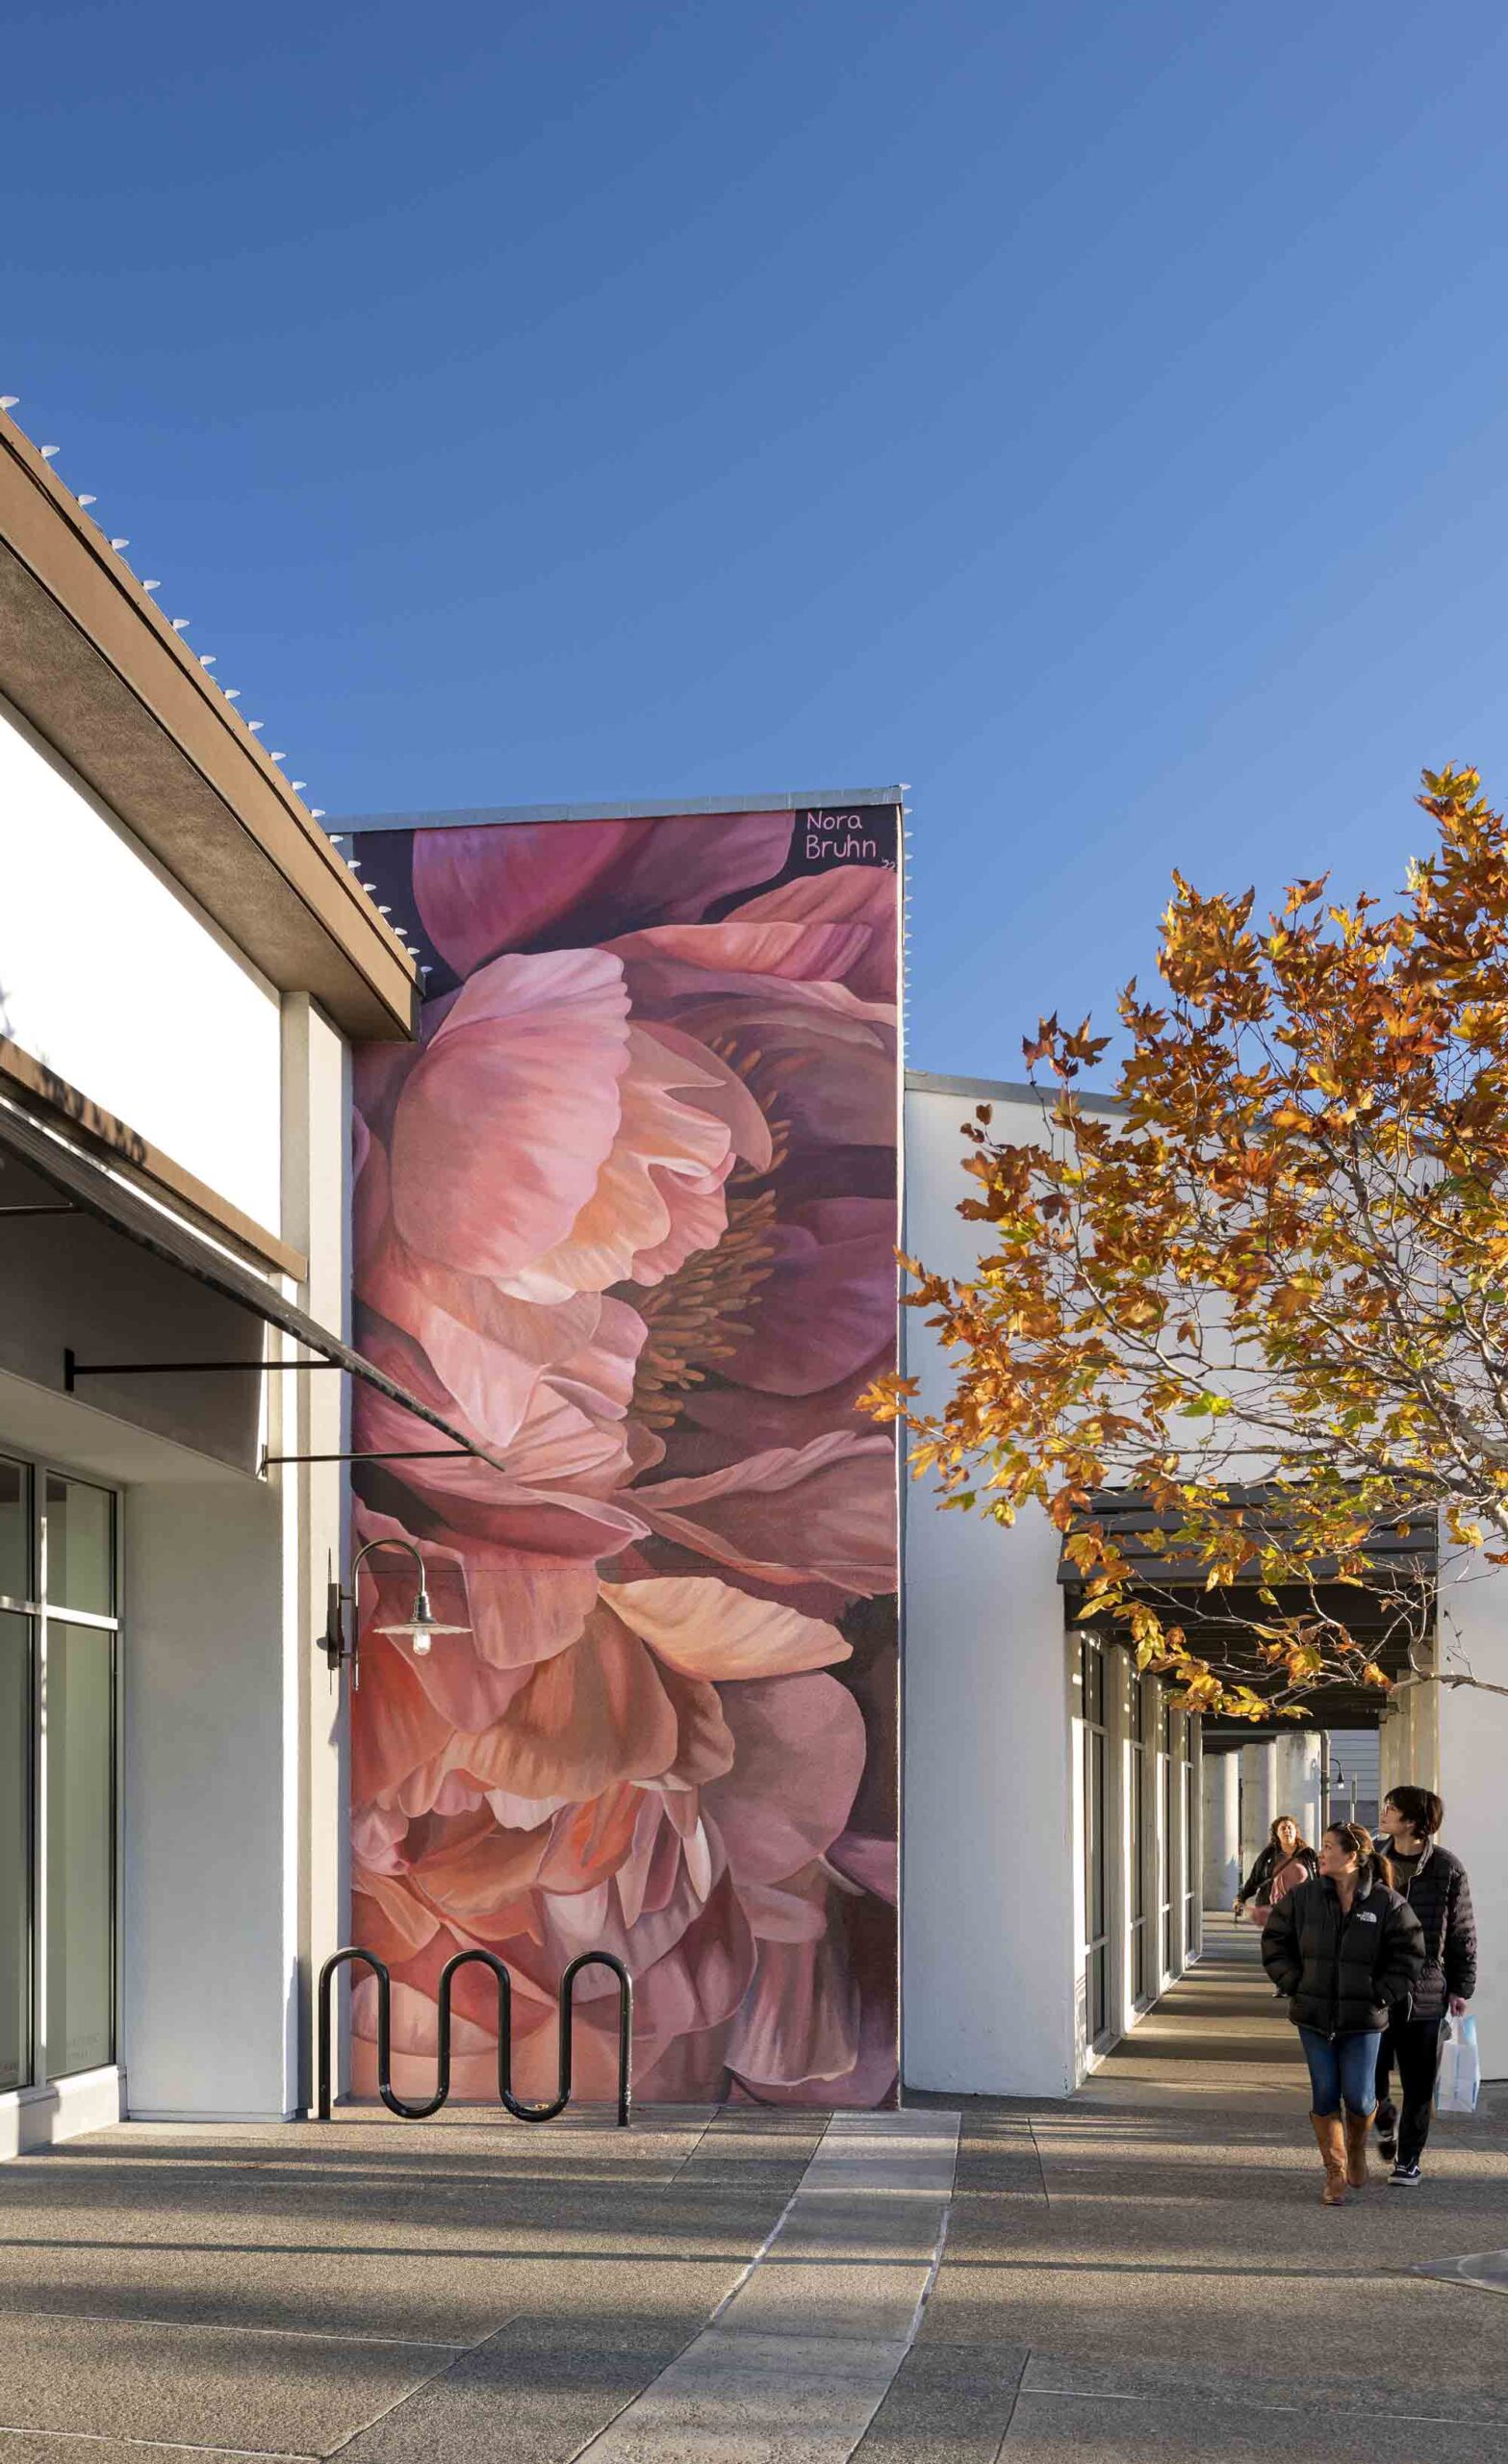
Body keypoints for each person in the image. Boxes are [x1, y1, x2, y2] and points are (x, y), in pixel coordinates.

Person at [1262, 1820, 1424, 2205]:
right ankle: (1334, 2173)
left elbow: (1412, 1952)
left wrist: (1381, 1994)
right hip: (1312, 2016)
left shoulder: (1386, 1903)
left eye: (1329, 1847)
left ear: (1351, 1856)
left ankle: (1356, 2148)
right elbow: (1274, 1939)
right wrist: (1292, 1981)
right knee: (1324, 2094)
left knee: (1359, 2094)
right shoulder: (1304, 1897)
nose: (1321, 1853)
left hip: (1364, 2021)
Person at [1371, 1785, 1477, 2186]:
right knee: (1371, 2078)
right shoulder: (1371, 1861)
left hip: (1426, 1990)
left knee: (1418, 2082)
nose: (1384, 1813)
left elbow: (1462, 1931)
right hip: (1377, 1987)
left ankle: (1408, 2159)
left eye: (1392, 1809)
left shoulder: (1446, 1868)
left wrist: (1460, 1987)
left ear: (1412, 1822)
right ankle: (1383, 2117)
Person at [1233, 1814, 1318, 1924]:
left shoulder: (1308, 1854)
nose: (1287, 1831)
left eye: (1289, 1828)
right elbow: (1255, 1878)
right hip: (1274, 1909)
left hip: (1302, 1908)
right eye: (1283, 1828)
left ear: (1296, 1831)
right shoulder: (1269, 1854)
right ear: (1276, 1833)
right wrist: (1241, 1898)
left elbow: (1318, 1878)